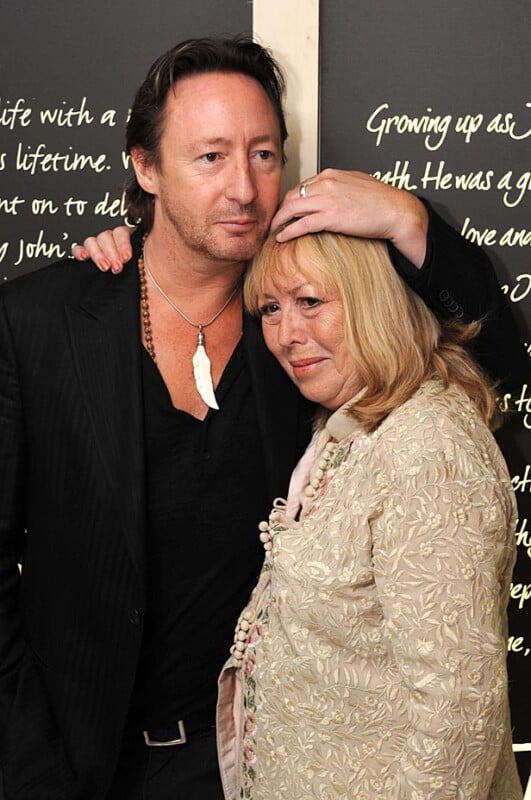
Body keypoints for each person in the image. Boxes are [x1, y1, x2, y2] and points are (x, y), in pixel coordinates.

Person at [0, 34, 525, 800]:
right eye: (209, 157)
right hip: (80, 768)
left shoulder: (309, 322)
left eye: (265, 155)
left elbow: (501, 358)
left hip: (261, 769)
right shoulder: (41, 320)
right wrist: (30, 770)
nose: (244, 189)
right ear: (146, 169)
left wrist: (407, 217)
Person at [216, 229, 523, 800]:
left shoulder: (428, 450)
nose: (286, 335)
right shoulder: (356, 424)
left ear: (374, 299)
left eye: (310, 302)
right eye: (270, 309)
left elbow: (457, 718)